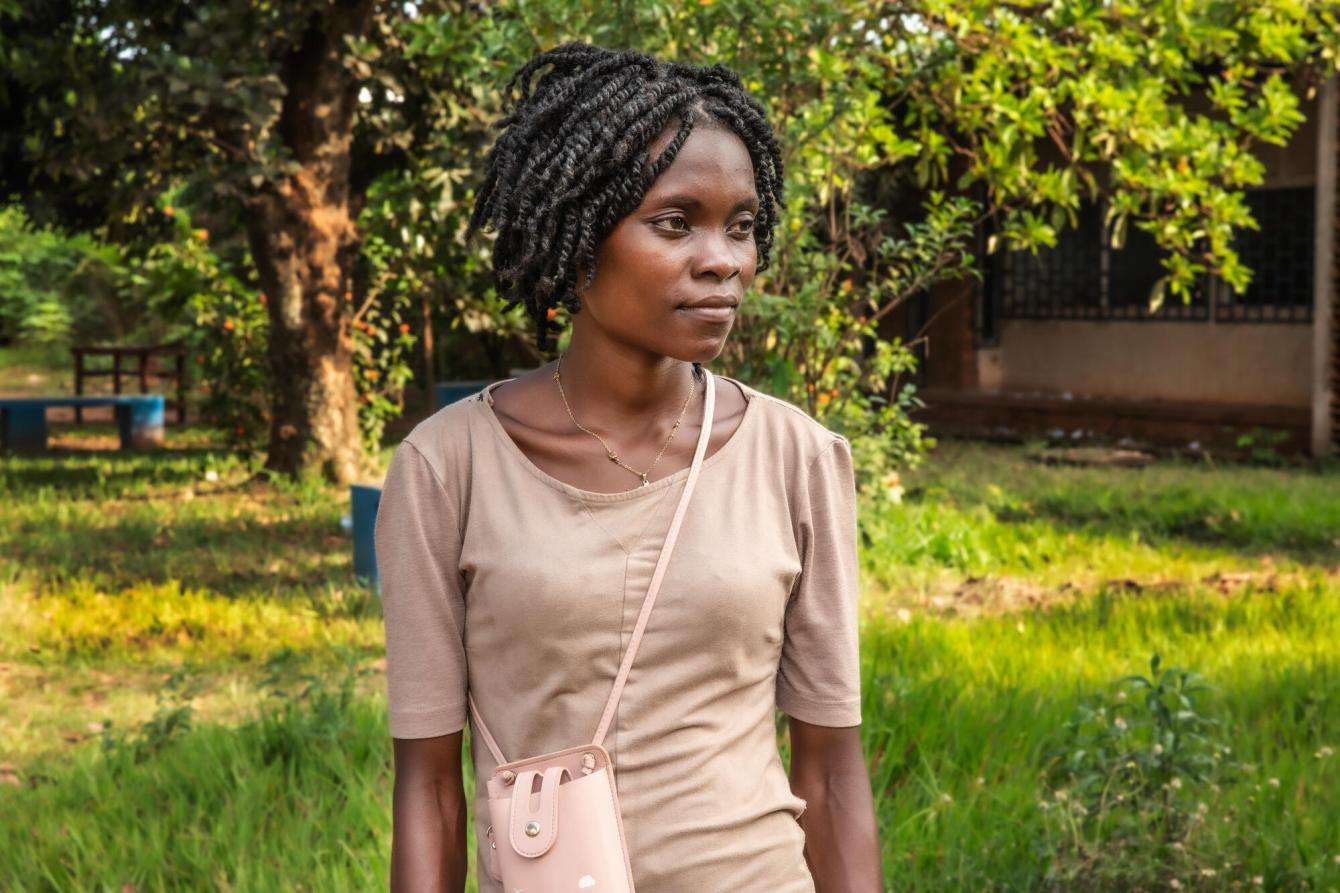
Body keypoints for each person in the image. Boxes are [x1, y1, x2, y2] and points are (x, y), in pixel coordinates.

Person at [375, 41, 883, 892]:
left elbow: (830, 774)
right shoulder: (446, 467)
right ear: (577, 238)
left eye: (742, 226)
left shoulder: (797, 456)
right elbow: (428, 786)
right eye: (675, 223)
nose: (723, 259)